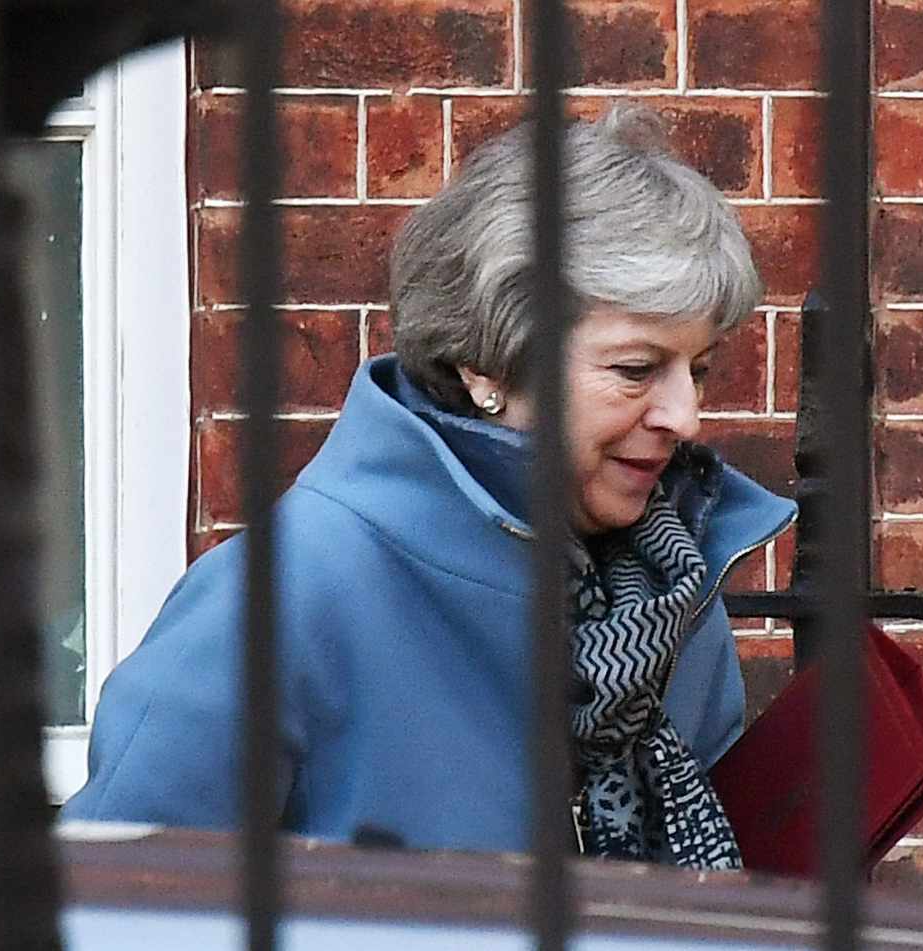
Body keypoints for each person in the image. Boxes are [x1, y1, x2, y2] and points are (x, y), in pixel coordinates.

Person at [61, 104, 796, 870]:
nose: (685, 415)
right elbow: (113, 907)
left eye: (700, 369)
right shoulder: (287, 598)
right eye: (636, 370)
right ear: (485, 364)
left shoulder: (669, 588)